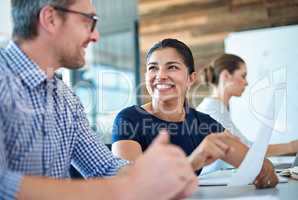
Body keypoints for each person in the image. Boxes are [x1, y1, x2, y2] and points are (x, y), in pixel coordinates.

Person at [0, 1, 198, 199]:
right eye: (88, 21)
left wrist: (155, 178)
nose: (95, 36)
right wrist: (128, 187)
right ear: (50, 19)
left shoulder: (65, 98)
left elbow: (104, 166)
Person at [111, 38, 278, 188]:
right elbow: (130, 186)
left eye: (172, 67)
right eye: (153, 68)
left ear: (191, 79)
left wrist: (264, 169)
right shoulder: (128, 120)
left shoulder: (203, 123)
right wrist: (192, 162)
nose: (160, 75)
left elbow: (255, 164)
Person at [197, 53, 298, 173]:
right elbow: (246, 149)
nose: (246, 82)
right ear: (226, 76)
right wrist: (291, 146)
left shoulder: (219, 108)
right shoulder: (211, 111)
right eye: (243, 76)